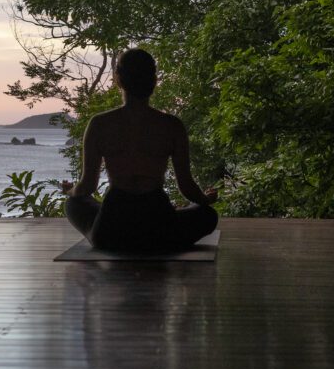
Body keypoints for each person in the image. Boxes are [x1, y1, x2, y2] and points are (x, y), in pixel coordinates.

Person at [63, 48, 218, 252]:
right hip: (160, 229)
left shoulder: (100, 124)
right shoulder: (171, 125)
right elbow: (187, 186)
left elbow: (88, 186)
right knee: (207, 215)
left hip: (110, 231)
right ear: (154, 81)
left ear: (118, 79)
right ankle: (172, 225)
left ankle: (98, 234)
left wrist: (71, 191)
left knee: (73, 204)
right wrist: (205, 200)